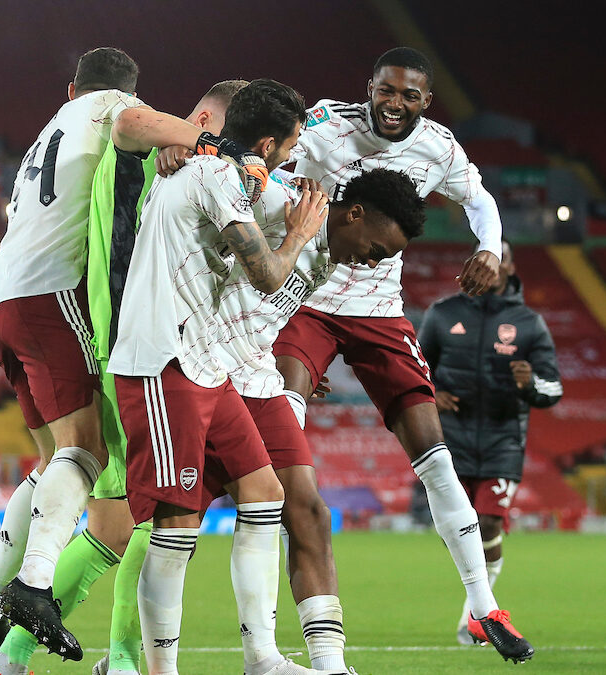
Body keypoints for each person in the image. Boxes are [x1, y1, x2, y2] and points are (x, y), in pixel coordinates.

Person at [0, 47, 268, 661]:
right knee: (90, 458)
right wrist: (216, 147)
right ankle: (32, 592)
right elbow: (134, 122)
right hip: (70, 307)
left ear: (70, 89)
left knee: (56, 462)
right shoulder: (120, 115)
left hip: (3, 301)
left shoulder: (55, 130)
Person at [271, 46, 534, 663]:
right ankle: (271, 635)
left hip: (380, 312)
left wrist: (490, 247)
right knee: (283, 438)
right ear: (370, 88)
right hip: (304, 298)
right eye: (386, 91)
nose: (394, 104)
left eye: (408, 95)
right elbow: (271, 161)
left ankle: (482, 605)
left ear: (426, 101)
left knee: (434, 452)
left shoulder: (439, 147)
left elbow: (480, 200)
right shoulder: (326, 123)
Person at [109, 78, 327, 675]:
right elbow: (267, 275)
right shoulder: (212, 176)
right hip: (163, 362)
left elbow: (245, 183)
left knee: (264, 493)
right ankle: (159, 670)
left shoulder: (211, 167)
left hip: (206, 363)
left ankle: (262, 658)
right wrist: (304, 231)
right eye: (289, 143)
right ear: (265, 140)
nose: (291, 156)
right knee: (177, 525)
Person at [206, 166, 426, 673]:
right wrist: (178, 151)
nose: (373, 263)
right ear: (353, 214)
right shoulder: (282, 207)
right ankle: (123, 653)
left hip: (257, 381)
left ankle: (327, 662)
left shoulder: (331, 260)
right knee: (160, 529)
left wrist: (272, 350)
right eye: (376, 247)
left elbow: (265, 313)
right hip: (201, 373)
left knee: (306, 509)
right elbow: (217, 176)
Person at [417, 239, 562, 645]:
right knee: (461, 529)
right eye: (488, 257)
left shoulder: (530, 323)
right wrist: (433, 396)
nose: (494, 265)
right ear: (476, 264)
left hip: (503, 440)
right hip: (451, 440)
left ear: (511, 268)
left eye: (503, 258)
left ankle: (473, 618)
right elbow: (415, 370)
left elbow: (553, 387)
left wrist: (530, 383)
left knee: (490, 522)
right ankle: (480, 610)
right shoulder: (443, 314)